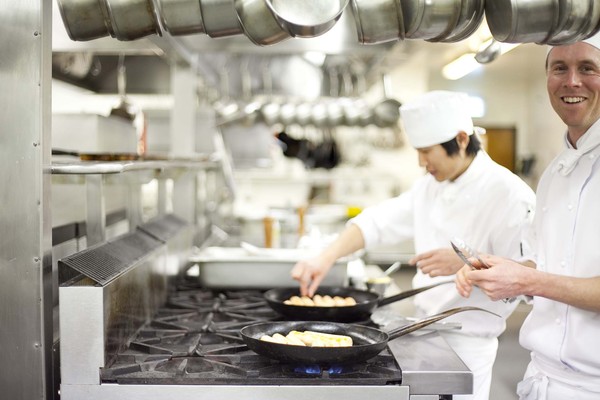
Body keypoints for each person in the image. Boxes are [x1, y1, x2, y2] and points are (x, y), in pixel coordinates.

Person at [291, 90, 536, 400]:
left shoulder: (510, 194)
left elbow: (528, 278)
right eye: (417, 152)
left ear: (461, 139)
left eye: (427, 152)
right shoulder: (430, 187)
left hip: (468, 345)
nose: (421, 163)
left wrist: (467, 262)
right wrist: (324, 259)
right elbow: (377, 222)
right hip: (422, 334)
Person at [455, 34, 600, 400]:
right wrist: (501, 269)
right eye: (559, 68)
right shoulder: (555, 172)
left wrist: (526, 282)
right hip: (543, 378)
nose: (571, 82)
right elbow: (549, 264)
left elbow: (540, 281)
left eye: (588, 68)